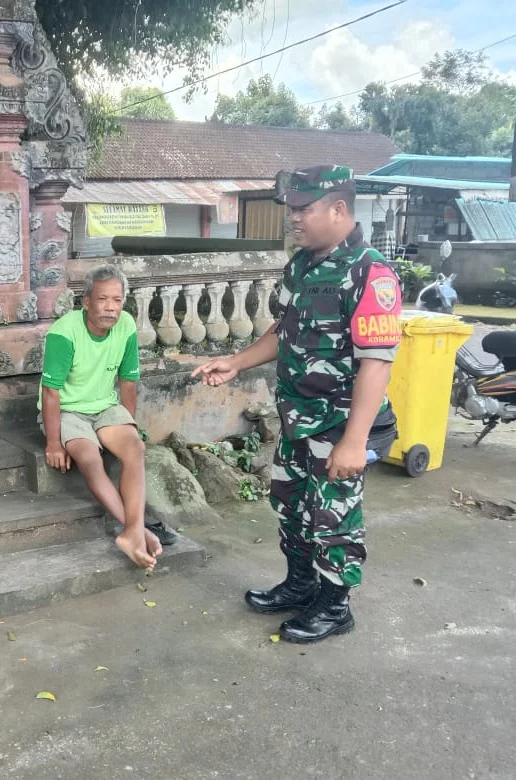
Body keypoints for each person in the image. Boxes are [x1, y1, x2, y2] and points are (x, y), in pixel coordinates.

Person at [193, 165, 402, 643]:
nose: (294, 218)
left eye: (304, 209)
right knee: (291, 505)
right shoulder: (302, 265)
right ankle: (300, 585)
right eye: (292, 210)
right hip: (297, 418)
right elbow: (283, 330)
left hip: (339, 424)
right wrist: (236, 362)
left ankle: (334, 607)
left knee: (334, 516)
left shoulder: (370, 273)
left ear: (339, 209)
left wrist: (354, 441)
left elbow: (377, 365)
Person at [39, 265, 165, 571]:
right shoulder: (64, 332)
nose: (111, 307)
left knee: (135, 449)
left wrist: (128, 426)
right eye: (102, 299)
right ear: (87, 302)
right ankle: (136, 530)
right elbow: (51, 392)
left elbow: (128, 382)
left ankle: (132, 532)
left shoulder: (126, 326)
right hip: (67, 409)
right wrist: (54, 443)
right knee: (89, 457)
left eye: (117, 300)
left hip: (105, 406)